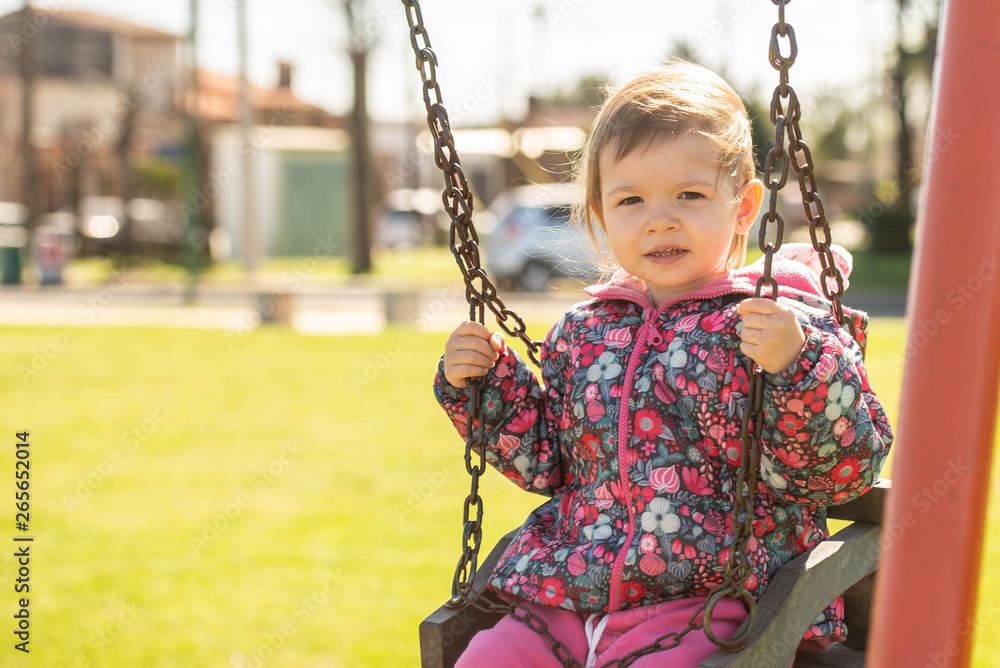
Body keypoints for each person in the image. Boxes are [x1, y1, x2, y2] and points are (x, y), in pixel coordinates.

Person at [432, 60, 893, 668]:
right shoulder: (585, 331)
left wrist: (800, 368)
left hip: (717, 606)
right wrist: (486, 386)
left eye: (690, 194)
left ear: (745, 204)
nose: (660, 218)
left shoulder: (773, 328)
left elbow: (844, 472)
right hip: (567, 599)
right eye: (631, 199)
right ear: (600, 214)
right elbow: (548, 461)